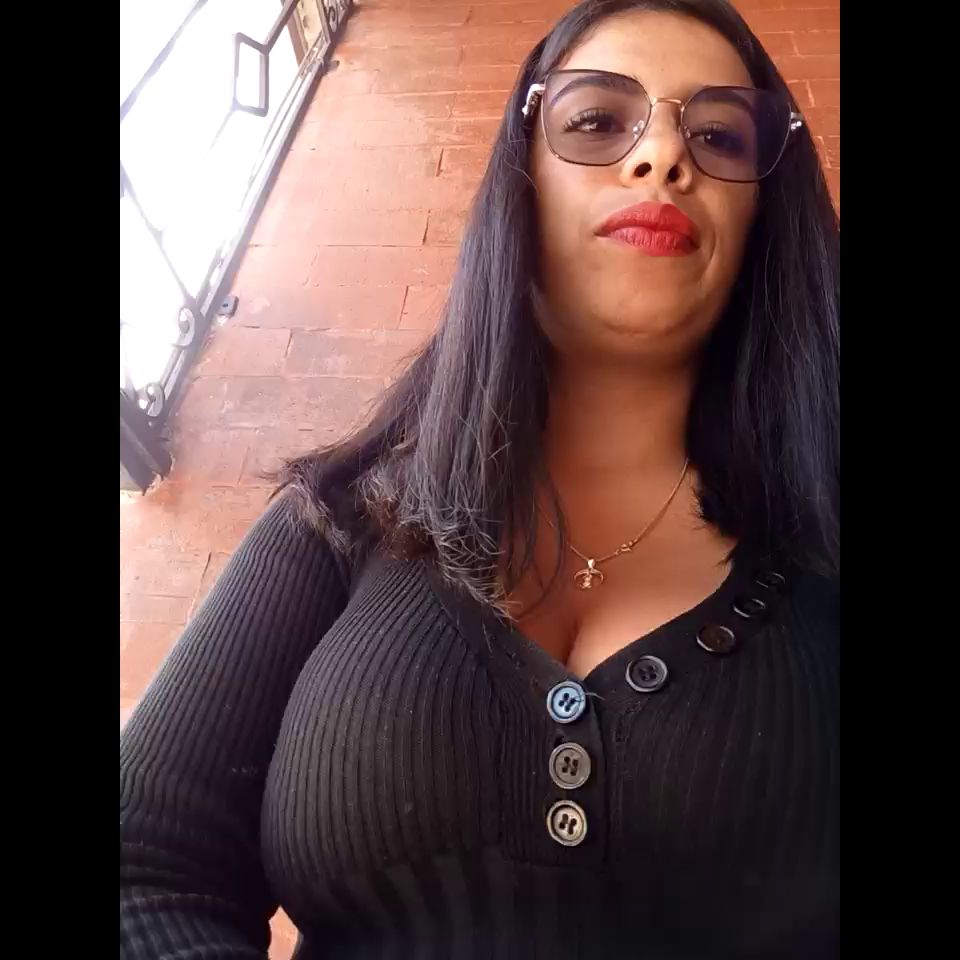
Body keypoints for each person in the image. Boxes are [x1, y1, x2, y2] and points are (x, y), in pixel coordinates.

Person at [120, 0, 839, 956]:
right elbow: (143, 869)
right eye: (597, 120)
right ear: (519, 184)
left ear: (762, 216)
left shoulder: (823, 549)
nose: (664, 156)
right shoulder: (340, 521)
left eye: (718, 136)